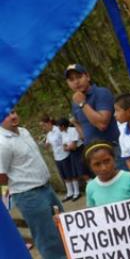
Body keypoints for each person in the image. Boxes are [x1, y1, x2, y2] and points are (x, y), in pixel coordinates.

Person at [0, 110, 66, 259]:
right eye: (6, 115)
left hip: (47, 188)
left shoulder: (23, 131)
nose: (13, 116)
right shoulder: (2, 143)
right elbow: (1, 176)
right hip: (29, 196)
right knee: (48, 239)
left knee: (64, 226)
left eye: (13, 112)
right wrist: (6, 200)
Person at [64, 63, 124, 170]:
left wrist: (82, 104)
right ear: (68, 83)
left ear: (87, 76)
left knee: (125, 185)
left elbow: (102, 124)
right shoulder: (75, 102)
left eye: (79, 77)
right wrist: (76, 124)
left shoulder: (101, 93)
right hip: (93, 154)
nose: (76, 82)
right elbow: (84, 133)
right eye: (71, 80)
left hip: (112, 151)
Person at [84, 140, 130, 207]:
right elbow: (92, 212)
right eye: (97, 164)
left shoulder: (129, 178)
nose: (103, 168)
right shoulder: (90, 187)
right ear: (90, 167)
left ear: (114, 159)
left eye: (107, 161)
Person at [40, 116, 74, 201]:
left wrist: (66, 146)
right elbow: (47, 144)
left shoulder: (58, 130)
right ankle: (69, 193)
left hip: (65, 154)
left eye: (44, 125)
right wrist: (44, 145)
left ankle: (76, 192)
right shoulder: (48, 134)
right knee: (64, 175)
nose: (43, 128)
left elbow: (66, 138)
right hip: (57, 156)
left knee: (70, 174)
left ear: (49, 123)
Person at [57, 118, 82, 201]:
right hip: (71, 153)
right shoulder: (63, 133)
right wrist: (68, 147)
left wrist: (68, 147)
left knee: (81, 171)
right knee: (74, 171)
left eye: (59, 126)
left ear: (63, 126)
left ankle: (77, 192)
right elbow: (65, 145)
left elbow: (74, 146)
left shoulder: (73, 130)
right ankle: (73, 193)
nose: (58, 128)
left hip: (79, 151)